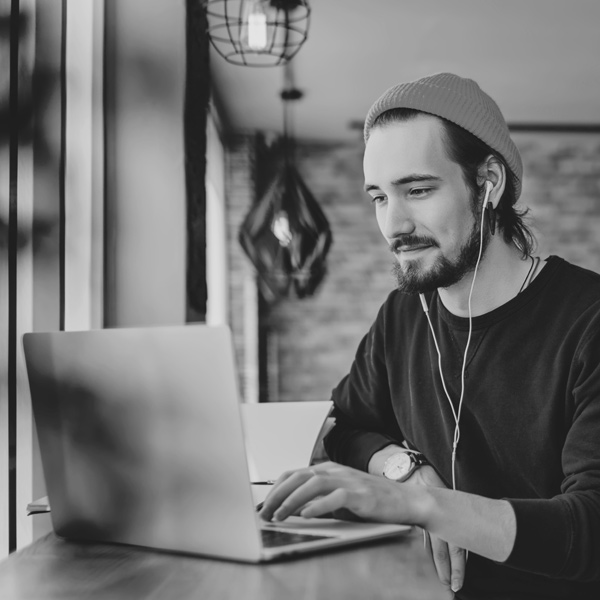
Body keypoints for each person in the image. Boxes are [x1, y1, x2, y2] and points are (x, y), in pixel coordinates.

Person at [259, 72, 600, 599]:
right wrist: (408, 473)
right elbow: (344, 428)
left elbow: (591, 530)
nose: (394, 224)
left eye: (417, 190)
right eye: (378, 197)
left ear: (490, 182)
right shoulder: (403, 314)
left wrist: (421, 507)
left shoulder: (588, 320)